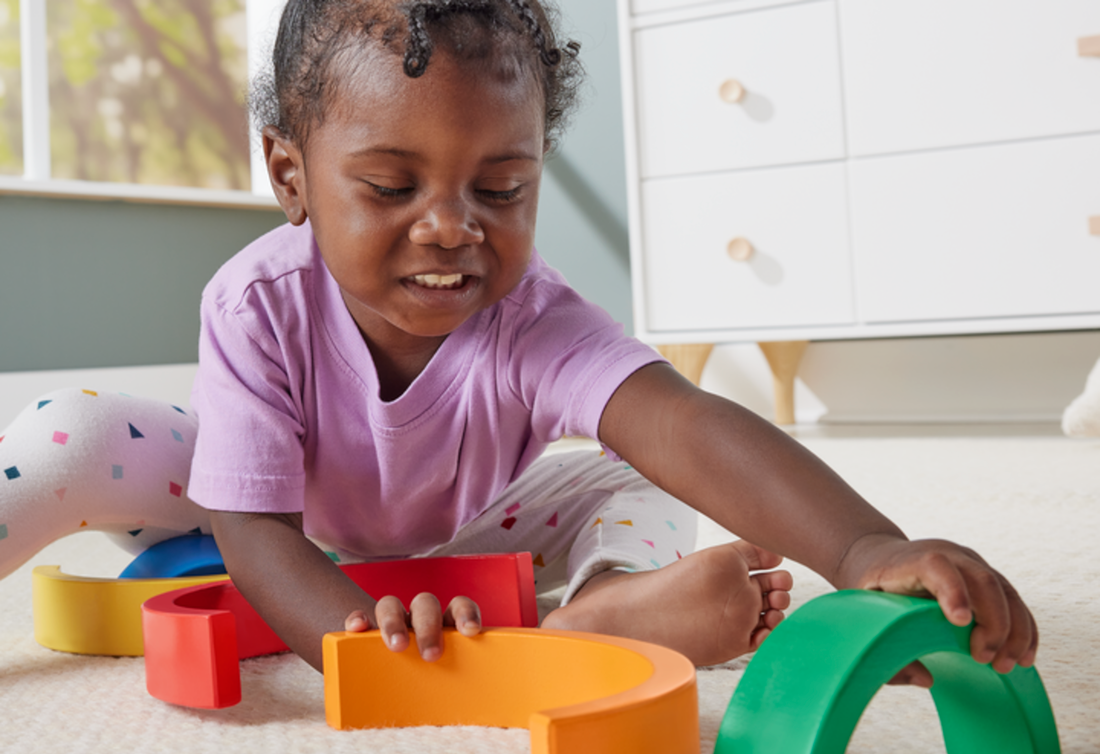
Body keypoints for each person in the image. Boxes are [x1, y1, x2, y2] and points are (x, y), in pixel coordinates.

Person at [0, 0, 1037, 687]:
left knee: (644, 472)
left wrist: (861, 550)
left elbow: (680, 419)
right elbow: (258, 533)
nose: (452, 225)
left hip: (460, 530)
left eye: (500, 188)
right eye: (391, 186)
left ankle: (598, 615)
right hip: (253, 507)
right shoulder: (256, 302)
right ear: (290, 175)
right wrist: (364, 649)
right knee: (71, 429)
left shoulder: (529, 315)